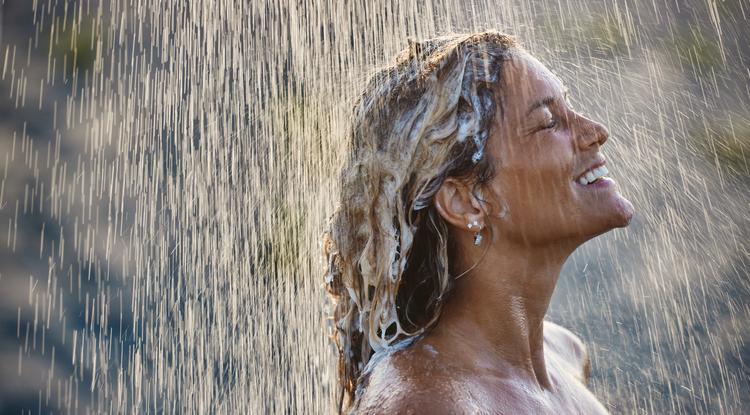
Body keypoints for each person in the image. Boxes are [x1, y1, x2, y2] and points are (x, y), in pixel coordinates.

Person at [323, 31, 634, 414]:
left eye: (569, 107)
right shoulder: (425, 403)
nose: (596, 132)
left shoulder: (565, 355)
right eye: (548, 122)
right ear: (466, 200)